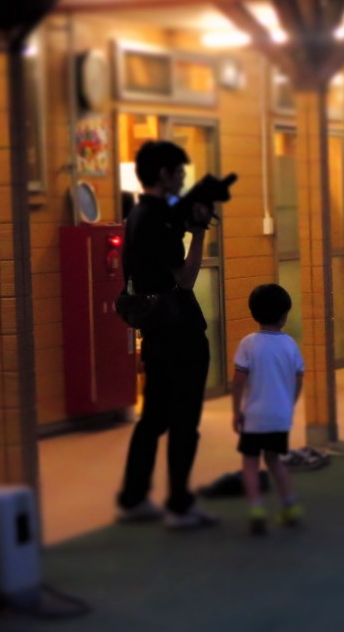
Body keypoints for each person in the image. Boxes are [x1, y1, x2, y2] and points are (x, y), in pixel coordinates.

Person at [116, 140, 217, 530]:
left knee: (154, 417)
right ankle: (179, 505)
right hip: (180, 330)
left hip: (156, 328)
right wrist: (199, 235)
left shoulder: (137, 214)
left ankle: (133, 497)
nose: (183, 179)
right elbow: (185, 279)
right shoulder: (160, 220)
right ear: (164, 174)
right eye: (180, 173)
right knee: (183, 420)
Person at [231, 283, 305, 536]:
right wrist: (289, 403)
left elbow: (239, 380)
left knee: (250, 462)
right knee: (274, 460)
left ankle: (256, 510)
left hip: (254, 417)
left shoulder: (248, 344)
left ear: (253, 313)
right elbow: (298, 378)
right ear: (285, 316)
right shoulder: (290, 344)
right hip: (279, 416)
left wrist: (236, 410)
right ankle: (290, 505)